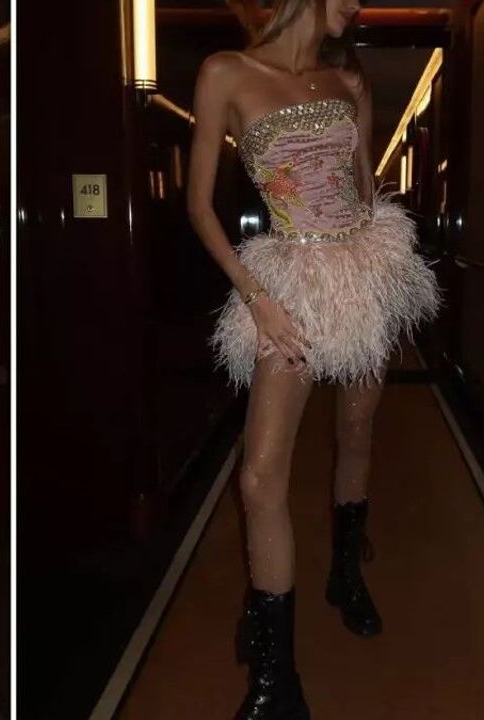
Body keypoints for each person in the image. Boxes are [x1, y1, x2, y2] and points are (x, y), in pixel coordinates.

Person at [186, 0, 441, 717]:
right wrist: (256, 297)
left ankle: (345, 574)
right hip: (285, 287)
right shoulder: (225, 73)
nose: (357, 4)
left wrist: (378, 281)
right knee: (260, 475)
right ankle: (277, 684)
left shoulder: (349, 82)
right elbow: (199, 206)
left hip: (361, 275)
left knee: (357, 431)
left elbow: (362, 191)